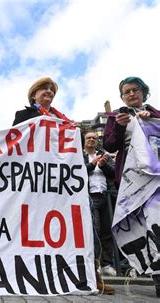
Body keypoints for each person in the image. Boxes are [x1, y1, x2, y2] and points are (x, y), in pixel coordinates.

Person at [103, 76, 160, 296]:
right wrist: (118, 126)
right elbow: (109, 144)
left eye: (135, 90)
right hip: (130, 181)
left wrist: (151, 117)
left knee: (156, 221)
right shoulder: (115, 117)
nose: (131, 94)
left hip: (155, 178)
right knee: (139, 225)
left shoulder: (155, 115)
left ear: (144, 92)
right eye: (126, 91)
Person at [83, 132, 116, 294]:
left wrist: (103, 165)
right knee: (94, 231)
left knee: (107, 230)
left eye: (94, 138)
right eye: (88, 138)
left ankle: (107, 264)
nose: (91, 140)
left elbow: (114, 174)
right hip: (89, 197)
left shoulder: (105, 156)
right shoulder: (78, 156)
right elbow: (75, 173)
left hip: (106, 196)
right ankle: (94, 268)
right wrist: (91, 165)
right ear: (84, 141)